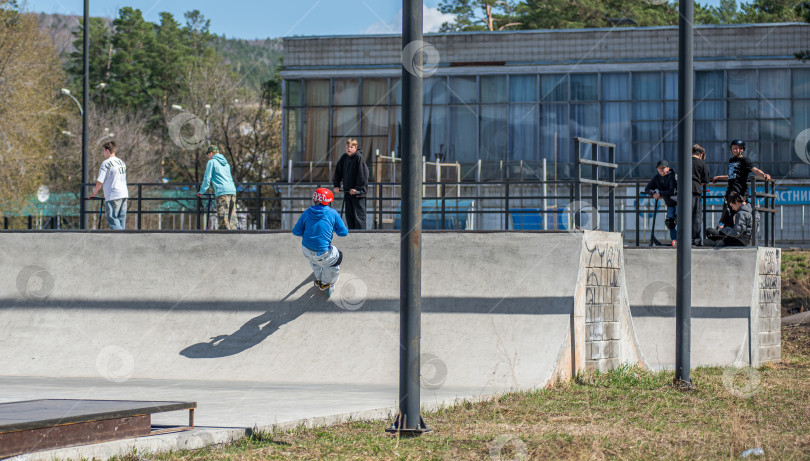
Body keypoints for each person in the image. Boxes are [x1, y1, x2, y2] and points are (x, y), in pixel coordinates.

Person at [292, 188, 349, 296]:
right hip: (322, 253)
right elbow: (343, 233)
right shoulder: (333, 213)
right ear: (328, 202)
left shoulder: (307, 212)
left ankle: (318, 278)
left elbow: (296, 232)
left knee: (314, 260)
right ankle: (326, 283)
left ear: (315, 200)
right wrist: (332, 227)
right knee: (337, 257)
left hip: (306, 250)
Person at [712, 139, 771, 229]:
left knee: (740, 213)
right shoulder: (731, 160)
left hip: (740, 192)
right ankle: (727, 233)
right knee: (727, 213)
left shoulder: (745, 160)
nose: (734, 150)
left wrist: (764, 175)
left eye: (736, 148)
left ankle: (741, 232)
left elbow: (755, 170)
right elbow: (732, 176)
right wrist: (719, 177)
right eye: (733, 148)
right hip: (730, 191)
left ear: (742, 149)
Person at [89, 141, 128, 230]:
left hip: (113, 195)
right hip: (124, 193)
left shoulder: (106, 163)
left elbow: (100, 181)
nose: (103, 154)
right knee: (121, 219)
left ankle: (120, 238)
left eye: (103, 151)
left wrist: (94, 193)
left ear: (107, 150)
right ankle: (125, 240)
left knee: (112, 218)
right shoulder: (121, 162)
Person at [198, 145, 237, 230]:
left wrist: (201, 191)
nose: (208, 157)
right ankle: (234, 238)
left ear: (211, 153)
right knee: (232, 219)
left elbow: (207, 178)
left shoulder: (212, 162)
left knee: (223, 218)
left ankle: (224, 239)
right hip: (232, 191)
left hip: (222, 192)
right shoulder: (226, 163)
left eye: (208, 155)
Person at [333, 138, 369, 230]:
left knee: (359, 218)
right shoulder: (344, 158)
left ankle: (361, 238)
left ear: (355, 148)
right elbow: (338, 172)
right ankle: (353, 237)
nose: (349, 149)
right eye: (347, 147)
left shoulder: (358, 158)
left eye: (351, 147)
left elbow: (363, 175)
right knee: (349, 217)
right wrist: (336, 185)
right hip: (348, 192)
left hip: (358, 194)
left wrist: (357, 189)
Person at [645, 160, 678, 246]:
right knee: (669, 223)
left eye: (663, 168)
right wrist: (653, 194)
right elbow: (647, 188)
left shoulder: (672, 176)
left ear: (668, 168)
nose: (661, 170)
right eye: (659, 168)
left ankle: (682, 240)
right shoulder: (657, 178)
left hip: (678, 202)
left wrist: (660, 194)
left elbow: (672, 190)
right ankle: (675, 240)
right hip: (669, 203)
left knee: (680, 221)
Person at [691, 144, 710, 246]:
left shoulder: (684, 161)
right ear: (701, 154)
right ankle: (696, 240)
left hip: (682, 191)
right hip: (695, 190)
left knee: (684, 215)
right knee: (696, 216)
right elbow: (705, 179)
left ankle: (684, 238)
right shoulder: (701, 163)